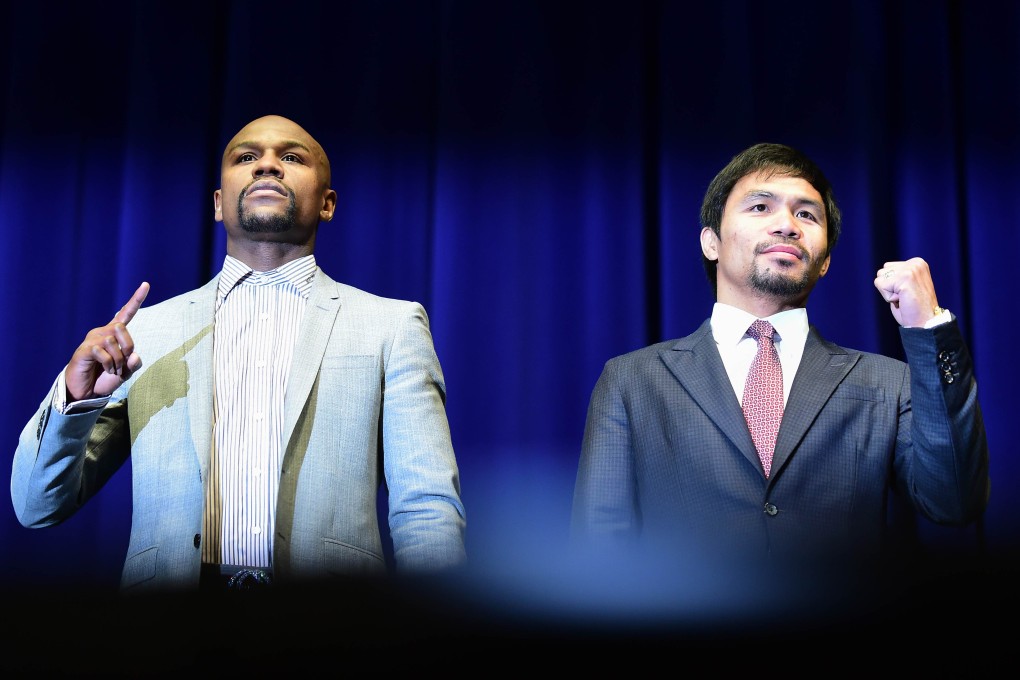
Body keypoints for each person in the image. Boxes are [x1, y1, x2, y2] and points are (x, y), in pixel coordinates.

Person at [11, 115, 467, 593]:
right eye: (246, 158)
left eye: (291, 158)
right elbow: (37, 506)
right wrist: (73, 397)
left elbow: (426, 505)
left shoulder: (390, 326)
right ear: (217, 203)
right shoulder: (145, 332)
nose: (267, 165)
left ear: (328, 204)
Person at [570, 142, 989, 609]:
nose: (787, 224)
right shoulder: (632, 380)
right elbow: (599, 548)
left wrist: (928, 326)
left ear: (825, 259)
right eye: (760, 206)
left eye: (807, 215)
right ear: (711, 241)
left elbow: (954, 502)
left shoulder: (885, 383)